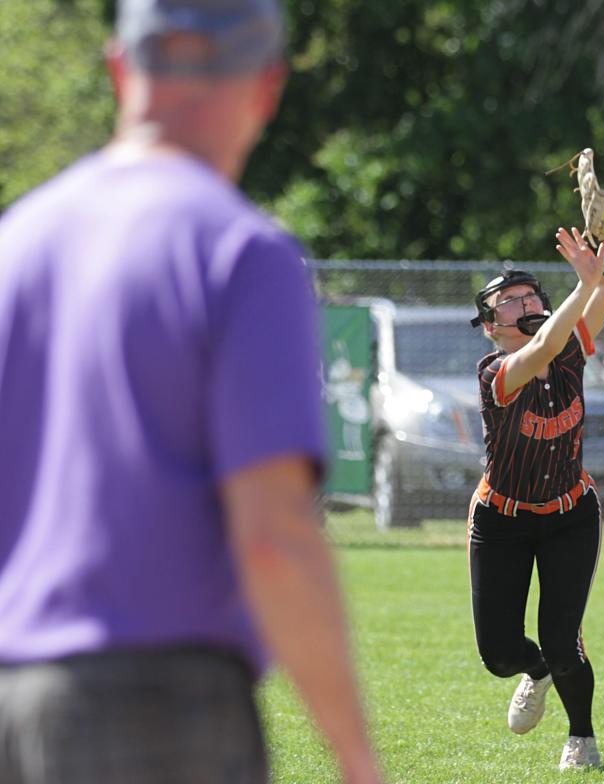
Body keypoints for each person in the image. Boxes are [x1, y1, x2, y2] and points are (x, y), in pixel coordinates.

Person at [0, 2, 381, 783]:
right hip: (160, 709)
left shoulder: (18, 242)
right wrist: (354, 754)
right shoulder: (239, 250)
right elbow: (273, 537)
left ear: (118, 67)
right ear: (267, 88)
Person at [467, 226, 604, 771]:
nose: (524, 301)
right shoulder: (495, 371)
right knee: (497, 654)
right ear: (492, 326)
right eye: (508, 301)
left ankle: (581, 737)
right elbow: (541, 345)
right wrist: (583, 286)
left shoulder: (570, 354)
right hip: (502, 520)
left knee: (563, 639)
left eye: (531, 293)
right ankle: (531, 671)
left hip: (570, 514)